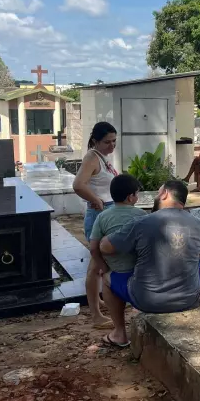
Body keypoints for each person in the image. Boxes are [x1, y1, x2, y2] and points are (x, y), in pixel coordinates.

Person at [99, 180, 200, 348]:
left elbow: (105, 247)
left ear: (165, 194)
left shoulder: (142, 222)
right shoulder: (199, 225)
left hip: (148, 300)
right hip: (188, 298)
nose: (156, 197)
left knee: (107, 278)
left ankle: (119, 334)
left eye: (158, 193)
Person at [73, 121, 118, 328]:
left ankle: (97, 300)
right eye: (107, 142)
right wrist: (95, 199)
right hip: (99, 213)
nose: (112, 145)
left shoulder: (102, 157)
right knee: (95, 265)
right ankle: (96, 316)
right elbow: (78, 185)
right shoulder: (92, 157)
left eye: (114, 141)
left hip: (107, 212)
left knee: (101, 264)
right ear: (95, 141)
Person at [87, 173, 146, 297]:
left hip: (114, 273)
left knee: (107, 283)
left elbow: (93, 249)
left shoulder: (102, 216)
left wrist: (105, 268)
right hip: (139, 274)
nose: (137, 197)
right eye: (137, 194)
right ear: (130, 197)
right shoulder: (142, 215)